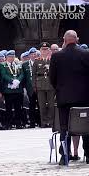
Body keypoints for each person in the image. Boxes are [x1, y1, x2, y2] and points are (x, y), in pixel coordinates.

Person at [49, 30, 89, 165]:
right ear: (77, 39)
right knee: (86, 126)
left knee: (64, 127)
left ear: (64, 40)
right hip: (84, 98)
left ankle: (64, 155)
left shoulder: (56, 56)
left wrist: (60, 89)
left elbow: (52, 78)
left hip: (64, 98)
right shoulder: (86, 54)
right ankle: (88, 154)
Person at [0, 50, 24, 129]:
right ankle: (8, 123)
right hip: (8, 90)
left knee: (18, 107)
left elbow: (22, 74)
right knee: (8, 108)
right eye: (9, 57)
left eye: (13, 56)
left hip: (18, 89)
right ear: (6, 57)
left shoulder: (18, 64)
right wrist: (12, 81)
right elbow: (3, 75)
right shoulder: (3, 65)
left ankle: (18, 123)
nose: (11, 58)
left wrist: (18, 81)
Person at [32, 42, 55, 128]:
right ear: (40, 50)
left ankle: (51, 121)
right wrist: (34, 85)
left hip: (50, 84)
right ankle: (43, 122)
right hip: (40, 84)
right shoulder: (37, 61)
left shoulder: (52, 59)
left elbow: (56, 73)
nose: (44, 51)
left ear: (49, 50)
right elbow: (33, 74)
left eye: (46, 49)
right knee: (41, 105)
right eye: (43, 49)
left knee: (51, 105)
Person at [22, 48, 40, 128]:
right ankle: (32, 123)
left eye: (34, 54)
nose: (33, 56)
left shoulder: (39, 62)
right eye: (31, 54)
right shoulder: (25, 64)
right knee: (31, 106)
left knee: (40, 106)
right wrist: (24, 88)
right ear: (29, 55)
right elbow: (24, 77)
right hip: (29, 88)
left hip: (39, 87)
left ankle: (40, 122)